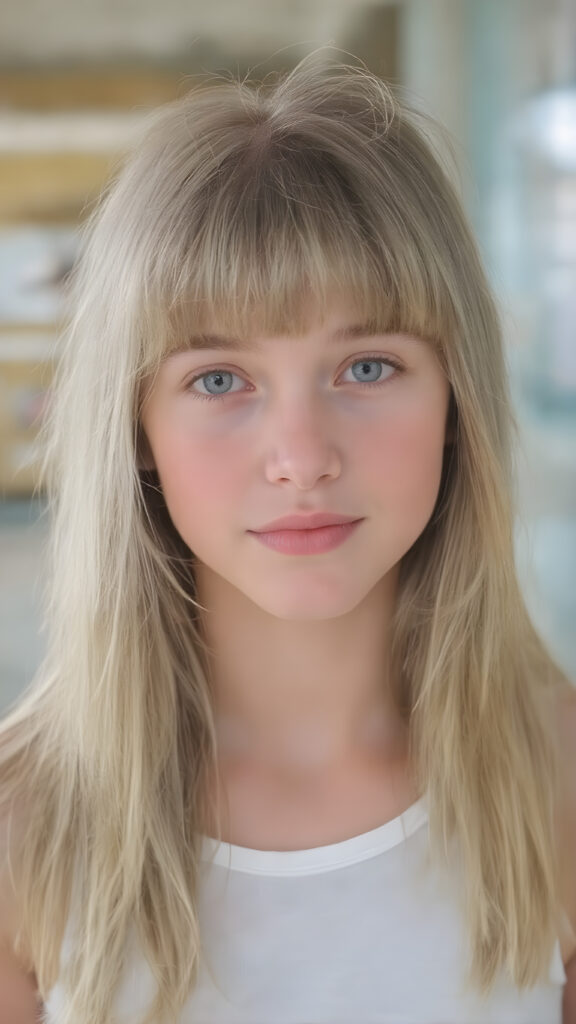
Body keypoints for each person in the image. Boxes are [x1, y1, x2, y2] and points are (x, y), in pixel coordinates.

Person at [0, 47, 575, 1024]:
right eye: (219, 380)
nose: (302, 457)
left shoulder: (559, 776)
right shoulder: (23, 824)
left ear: (454, 402)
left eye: (367, 367)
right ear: (136, 432)